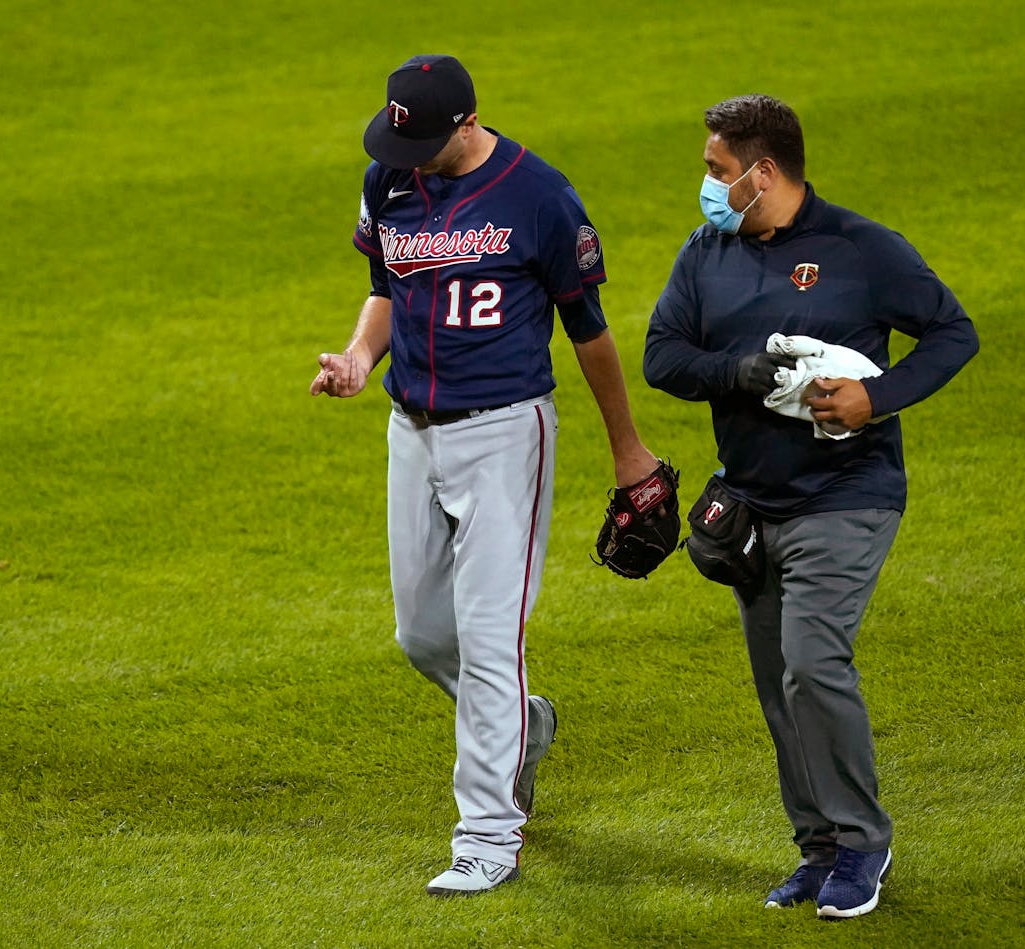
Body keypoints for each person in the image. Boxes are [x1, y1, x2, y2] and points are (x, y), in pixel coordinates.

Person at [310, 54, 660, 897]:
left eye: (424, 139)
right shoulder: (388, 179)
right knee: (424, 635)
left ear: (469, 122)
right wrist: (361, 356)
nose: (407, 152)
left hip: (505, 433)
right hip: (411, 430)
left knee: (492, 637)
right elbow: (386, 285)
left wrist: (629, 452)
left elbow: (590, 332)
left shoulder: (538, 197)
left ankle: (488, 836)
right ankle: (522, 727)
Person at [643, 94, 979, 920]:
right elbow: (662, 355)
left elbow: (951, 332)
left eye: (719, 170)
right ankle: (819, 848)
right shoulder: (706, 250)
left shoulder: (861, 250)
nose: (709, 185)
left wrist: (877, 397)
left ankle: (864, 841)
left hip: (846, 494)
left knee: (811, 659)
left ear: (763, 173)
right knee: (777, 681)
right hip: (755, 503)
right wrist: (736, 370)